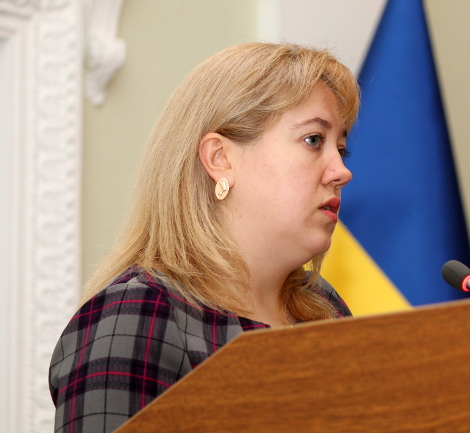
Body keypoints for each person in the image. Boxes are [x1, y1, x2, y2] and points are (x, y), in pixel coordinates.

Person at [48, 42, 360, 433]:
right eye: (314, 140)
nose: (341, 171)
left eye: (341, 149)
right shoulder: (138, 314)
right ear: (220, 159)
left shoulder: (323, 308)